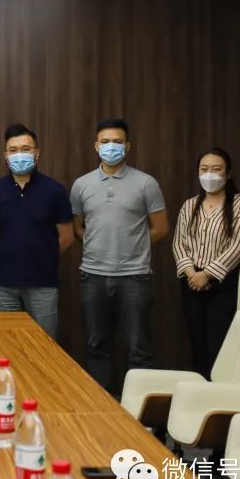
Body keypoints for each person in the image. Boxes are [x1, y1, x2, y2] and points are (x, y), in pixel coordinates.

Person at [71, 118, 169, 392]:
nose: (111, 147)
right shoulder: (81, 185)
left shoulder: (146, 183)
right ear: (96, 146)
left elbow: (160, 228)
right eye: (105, 142)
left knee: (139, 348)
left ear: (127, 146)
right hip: (93, 276)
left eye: (117, 142)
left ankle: (138, 408)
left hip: (134, 277)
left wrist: (131, 246)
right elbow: (78, 228)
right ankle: (101, 405)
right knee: (96, 345)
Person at [0, 124, 73, 338]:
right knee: (6, 343)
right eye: (13, 150)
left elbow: (66, 237)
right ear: (6, 156)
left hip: (43, 284)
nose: (19, 155)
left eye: (25, 149)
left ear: (36, 153)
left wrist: (42, 257)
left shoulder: (54, 191)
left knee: (44, 344)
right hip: (3, 285)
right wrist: (7, 254)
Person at [172, 147, 240, 378]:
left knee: (218, 342)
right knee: (196, 342)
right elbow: (179, 243)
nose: (209, 174)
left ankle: (218, 389)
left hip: (223, 282)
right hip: (191, 282)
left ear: (228, 174)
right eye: (204, 169)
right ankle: (200, 388)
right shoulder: (189, 205)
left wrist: (206, 274)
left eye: (216, 169)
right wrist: (192, 274)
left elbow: (239, 246)